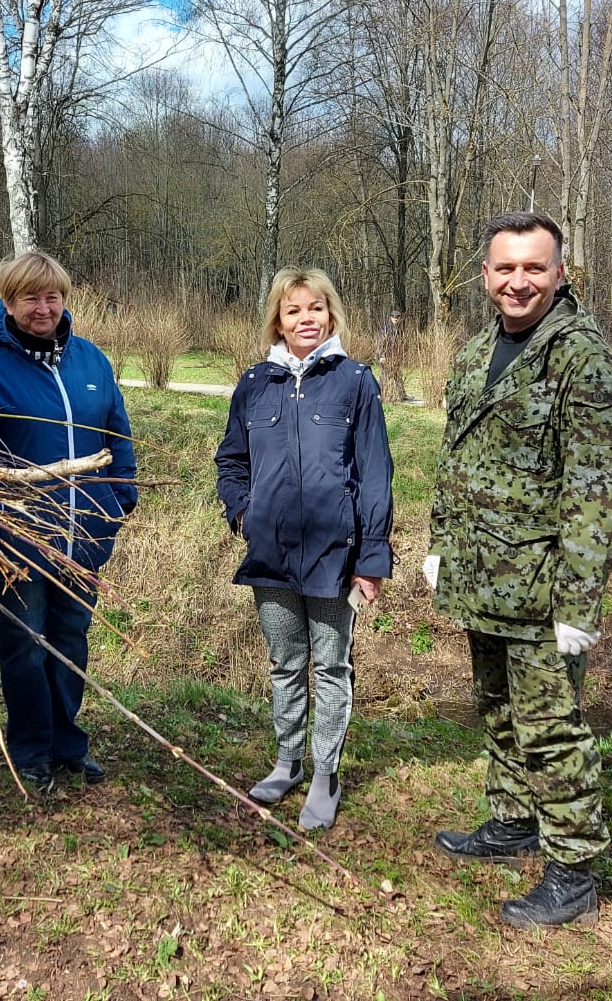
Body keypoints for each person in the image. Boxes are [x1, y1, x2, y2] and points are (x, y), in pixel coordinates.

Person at [424, 211, 612, 928]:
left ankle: (572, 870)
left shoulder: (582, 359)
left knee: (552, 728)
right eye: (505, 268)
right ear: (485, 275)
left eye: (534, 268)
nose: (518, 281)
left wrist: (579, 602)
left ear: (560, 273)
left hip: (543, 589)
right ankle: (513, 821)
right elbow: (457, 458)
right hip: (483, 576)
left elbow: (595, 491)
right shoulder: (478, 349)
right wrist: (440, 541)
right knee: (500, 711)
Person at [0, 252, 137, 791]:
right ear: (8, 301)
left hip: (86, 537)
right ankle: (31, 750)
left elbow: (117, 434)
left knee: (71, 639)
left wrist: (119, 501)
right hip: (18, 541)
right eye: (30, 297)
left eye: (52, 296)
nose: (43, 307)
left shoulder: (91, 362)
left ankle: (67, 743)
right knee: (26, 645)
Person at [214, 268, 394, 832]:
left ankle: (326, 773)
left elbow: (375, 477)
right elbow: (231, 460)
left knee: (332, 666)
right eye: (293, 310)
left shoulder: (356, 382)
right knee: (285, 664)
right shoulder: (253, 384)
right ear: (278, 319)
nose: (306, 319)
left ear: (331, 314)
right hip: (270, 556)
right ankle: (288, 761)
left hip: (332, 557)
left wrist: (370, 560)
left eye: (316, 308)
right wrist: (243, 511)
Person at [375, 309, 407, 402]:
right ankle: (378, 393)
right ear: (390, 318)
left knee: (397, 375)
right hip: (387, 356)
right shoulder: (386, 328)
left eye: (397, 317)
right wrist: (381, 356)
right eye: (393, 317)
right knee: (384, 375)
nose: (395, 319)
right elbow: (380, 343)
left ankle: (402, 394)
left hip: (395, 356)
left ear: (400, 318)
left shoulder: (399, 328)